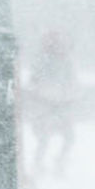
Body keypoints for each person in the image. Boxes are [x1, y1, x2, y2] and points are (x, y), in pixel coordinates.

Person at [24, 30, 79, 178]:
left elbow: (72, 83)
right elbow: (35, 85)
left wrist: (69, 97)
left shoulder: (66, 62)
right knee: (45, 139)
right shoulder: (42, 61)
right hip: (45, 109)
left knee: (68, 137)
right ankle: (40, 164)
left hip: (59, 107)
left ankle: (57, 163)